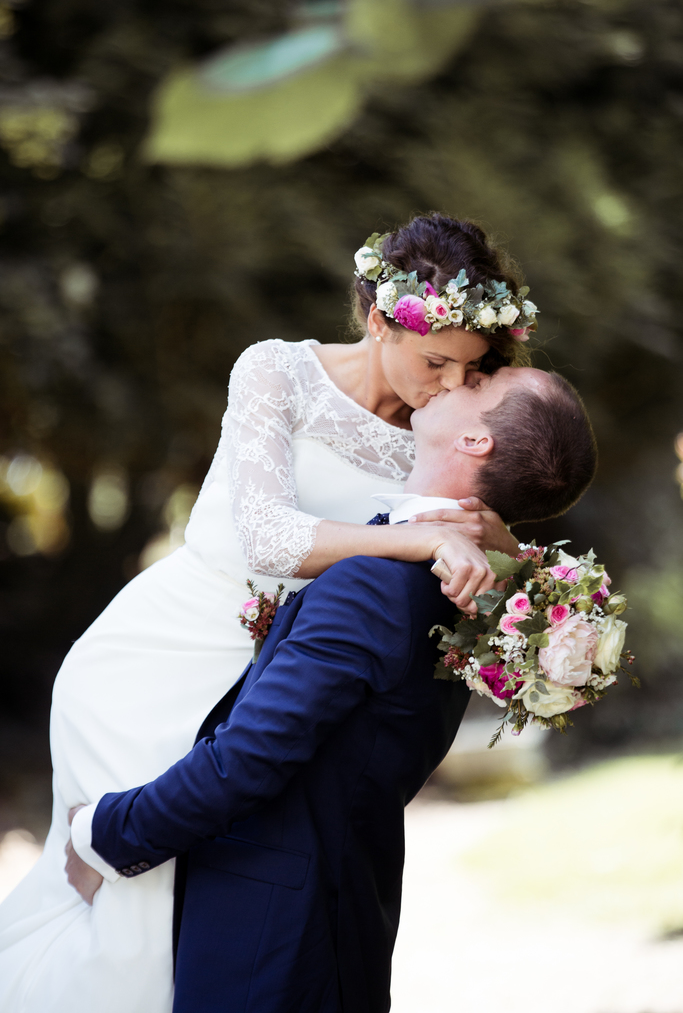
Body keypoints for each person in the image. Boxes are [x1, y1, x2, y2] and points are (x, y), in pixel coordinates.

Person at [0, 214, 530, 1013]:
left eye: (473, 368)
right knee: (135, 918)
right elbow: (269, 536)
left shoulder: (435, 438)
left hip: (265, 687)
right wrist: (416, 537)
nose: (453, 386)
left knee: (195, 913)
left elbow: (485, 563)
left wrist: (503, 548)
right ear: (380, 320)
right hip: (157, 661)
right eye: (436, 362)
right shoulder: (279, 372)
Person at [65, 363, 597, 1013]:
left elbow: (246, 760)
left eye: (479, 382)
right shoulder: (464, 597)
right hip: (337, 918)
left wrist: (101, 833)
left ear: (475, 442)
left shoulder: (376, 584)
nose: (458, 377)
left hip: (270, 940)